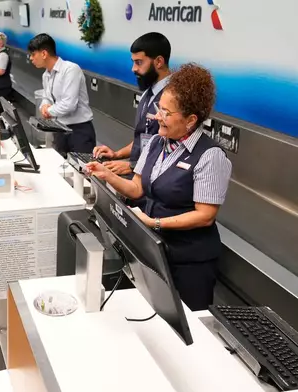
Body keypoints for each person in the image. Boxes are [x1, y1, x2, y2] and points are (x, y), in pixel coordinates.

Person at [86, 64, 232, 311]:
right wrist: (106, 175)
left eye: (166, 112)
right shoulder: (156, 142)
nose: (156, 117)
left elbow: (205, 216)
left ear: (190, 120)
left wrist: (155, 223)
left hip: (188, 261)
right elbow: (136, 188)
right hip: (153, 249)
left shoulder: (210, 156)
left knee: (187, 332)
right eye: (158, 109)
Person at [94, 32, 172, 176]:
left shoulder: (175, 97)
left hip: (155, 184)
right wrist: (117, 154)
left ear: (159, 62)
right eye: (133, 62)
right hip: (138, 178)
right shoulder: (147, 94)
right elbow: (143, 139)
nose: (133, 68)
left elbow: (172, 150)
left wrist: (132, 166)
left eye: (139, 62)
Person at [28, 33, 96, 154]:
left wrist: (48, 111)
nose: (31, 58)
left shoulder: (70, 70)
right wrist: (44, 105)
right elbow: (47, 97)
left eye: (33, 54)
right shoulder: (46, 75)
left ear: (44, 53)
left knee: (82, 171)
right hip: (59, 129)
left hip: (79, 131)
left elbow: (69, 105)